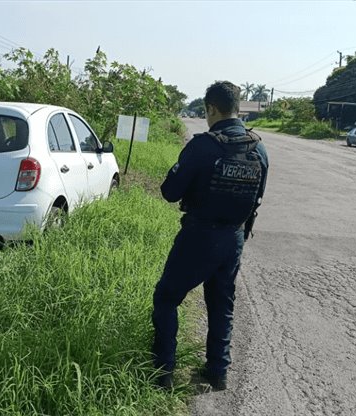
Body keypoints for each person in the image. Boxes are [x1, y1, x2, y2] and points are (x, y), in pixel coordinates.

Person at [151, 81, 269, 390]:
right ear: (238, 108)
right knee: (221, 304)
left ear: (212, 109)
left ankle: (163, 372)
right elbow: (258, 197)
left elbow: (169, 193)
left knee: (166, 298)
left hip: (199, 236)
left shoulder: (203, 145)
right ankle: (218, 371)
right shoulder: (259, 148)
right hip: (234, 238)